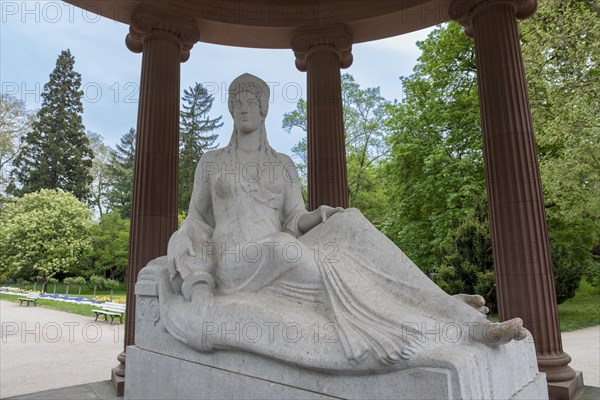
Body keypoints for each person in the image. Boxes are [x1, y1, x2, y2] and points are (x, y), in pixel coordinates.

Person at [162, 73, 526, 370]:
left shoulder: (283, 165)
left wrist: (316, 217)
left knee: (350, 222)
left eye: (252, 98)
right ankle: (427, 319)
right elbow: (195, 222)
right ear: (229, 107)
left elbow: (293, 218)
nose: (244, 106)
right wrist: (198, 279)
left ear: (264, 108)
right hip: (237, 264)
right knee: (286, 248)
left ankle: (458, 316)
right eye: (237, 99)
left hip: (281, 246)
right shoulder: (211, 162)